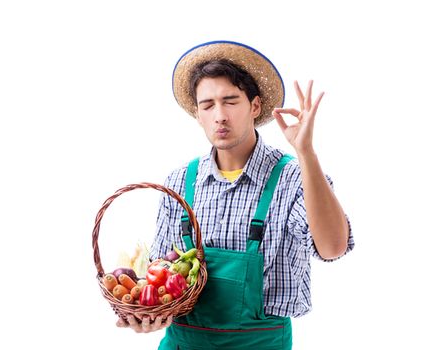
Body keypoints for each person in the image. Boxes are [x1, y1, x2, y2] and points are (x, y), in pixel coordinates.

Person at [117, 40, 354, 350]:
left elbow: (333, 247)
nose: (220, 115)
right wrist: (149, 315)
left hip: (261, 343)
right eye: (208, 105)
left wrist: (305, 152)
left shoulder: (294, 178)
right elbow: (158, 275)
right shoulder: (178, 183)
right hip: (184, 343)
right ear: (198, 114)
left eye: (230, 101)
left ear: (255, 106)